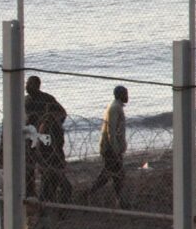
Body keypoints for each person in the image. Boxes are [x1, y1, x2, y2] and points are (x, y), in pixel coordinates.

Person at [25, 77, 71, 206]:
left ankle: (47, 200)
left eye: (30, 84)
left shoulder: (47, 99)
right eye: (27, 84)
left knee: (47, 171)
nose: (27, 86)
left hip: (46, 142)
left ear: (38, 85)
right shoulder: (25, 101)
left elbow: (62, 113)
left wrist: (49, 125)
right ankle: (32, 195)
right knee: (29, 170)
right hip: (30, 140)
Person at [82, 86, 129, 208]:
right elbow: (111, 131)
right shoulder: (115, 108)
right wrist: (116, 150)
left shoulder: (116, 106)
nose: (127, 97)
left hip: (111, 148)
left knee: (114, 174)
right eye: (125, 94)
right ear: (120, 95)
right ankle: (89, 193)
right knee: (112, 174)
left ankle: (119, 200)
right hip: (111, 149)